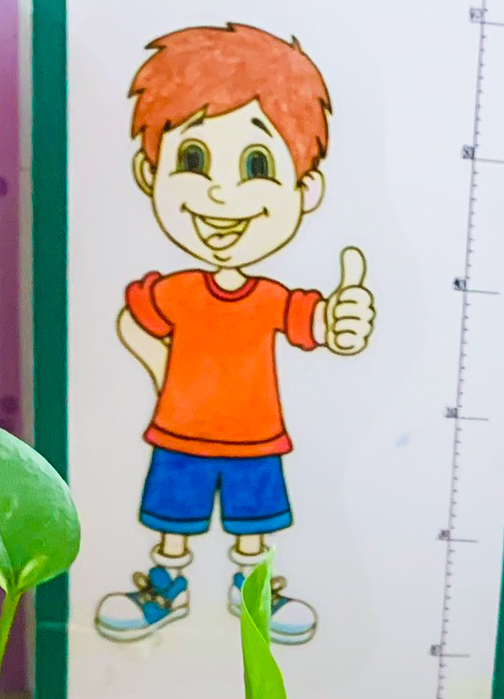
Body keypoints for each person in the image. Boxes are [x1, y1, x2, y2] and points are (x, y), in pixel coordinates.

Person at [98, 23, 376, 648]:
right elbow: (132, 321)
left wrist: (345, 319)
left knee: (255, 525)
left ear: (305, 190)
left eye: (256, 165)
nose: (221, 193)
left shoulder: (271, 298)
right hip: (179, 435)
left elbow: (318, 323)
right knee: (173, 521)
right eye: (193, 160)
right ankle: (165, 588)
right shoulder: (177, 290)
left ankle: (254, 591)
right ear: (149, 173)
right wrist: (163, 374)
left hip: (255, 439)